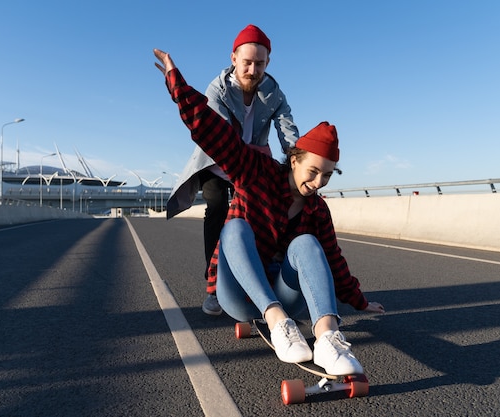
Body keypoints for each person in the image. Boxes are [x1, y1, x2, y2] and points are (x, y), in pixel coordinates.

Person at [154, 49, 385, 375]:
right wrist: (176, 83)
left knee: (307, 243)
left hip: (284, 293)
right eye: (313, 171)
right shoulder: (256, 170)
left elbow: (333, 260)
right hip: (237, 293)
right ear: (294, 160)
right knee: (234, 228)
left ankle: (328, 338)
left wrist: (359, 301)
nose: (318, 183)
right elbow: (212, 131)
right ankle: (278, 324)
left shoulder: (317, 210)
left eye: (327, 176)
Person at [164, 24, 300, 316]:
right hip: (219, 161)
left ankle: (258, 278)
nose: (252, 70)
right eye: (247, 62)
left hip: (252, 168)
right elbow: (222, 137)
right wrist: (259, 152)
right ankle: (213, 289)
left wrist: (296, 160)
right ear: (234, 58)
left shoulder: (274, 92)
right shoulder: (218, 88)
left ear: (268, 63)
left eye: (259, 64)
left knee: (252, 217)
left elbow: (287, 128)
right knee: (216, 208)